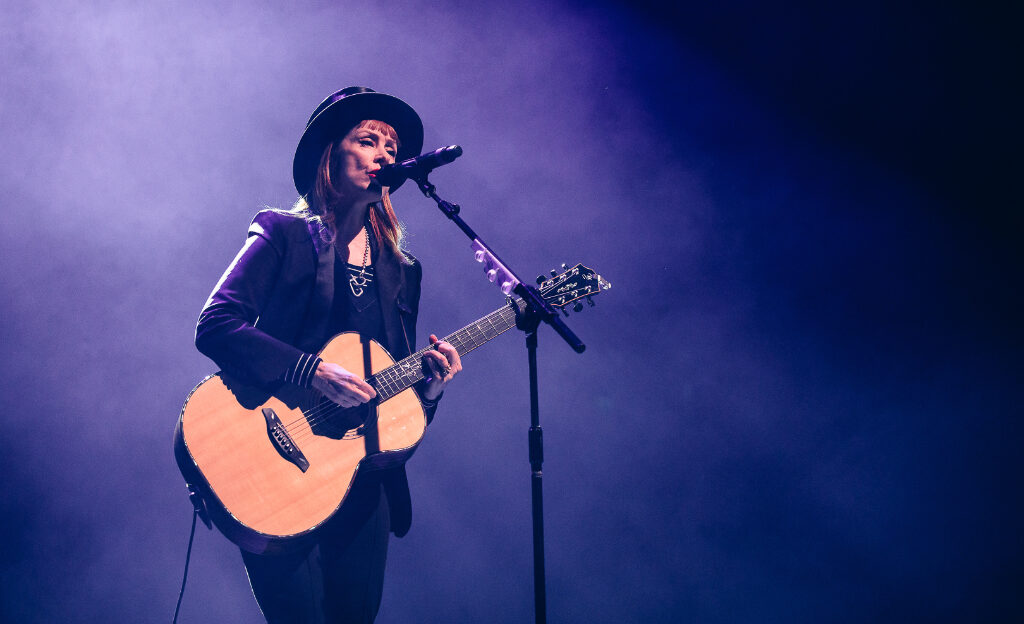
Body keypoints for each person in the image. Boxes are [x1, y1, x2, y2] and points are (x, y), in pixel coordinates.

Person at [194, 86, 462, 623]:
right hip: (274, 461)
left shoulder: (403, 270)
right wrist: (312, 372)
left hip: (362, 479)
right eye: (369, 140)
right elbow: (217, 324)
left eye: (392, 147)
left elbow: (394, 387)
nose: (386, 154)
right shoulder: (283, 232)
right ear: (329, 154)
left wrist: (429, 390)